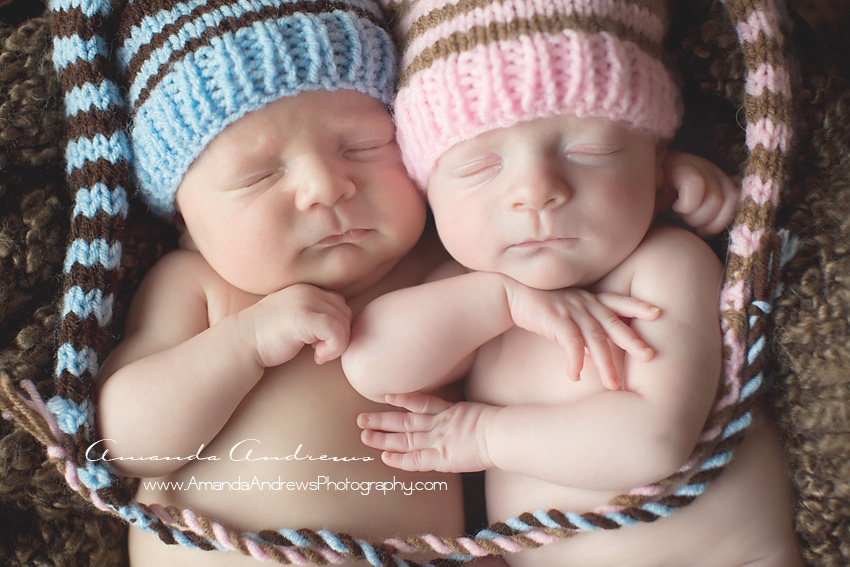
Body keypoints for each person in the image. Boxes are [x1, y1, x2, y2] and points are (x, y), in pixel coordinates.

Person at [342, 0, 804, 565]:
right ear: (427, 193)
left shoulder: (663, 263)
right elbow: (372, 364)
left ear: (657, 164)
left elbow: (652, 438)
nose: (536, 191)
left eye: (590, 151)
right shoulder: (473, 289)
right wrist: (501, 300)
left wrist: (483, 435)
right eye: (479, 167)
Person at [86, 1, 467, 565]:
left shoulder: (442, 265)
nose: (325, 186)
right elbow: (123, 445)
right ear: (184, 223)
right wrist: (245, 342)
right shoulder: (196, 284)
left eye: (364, 146)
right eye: (259, 175)